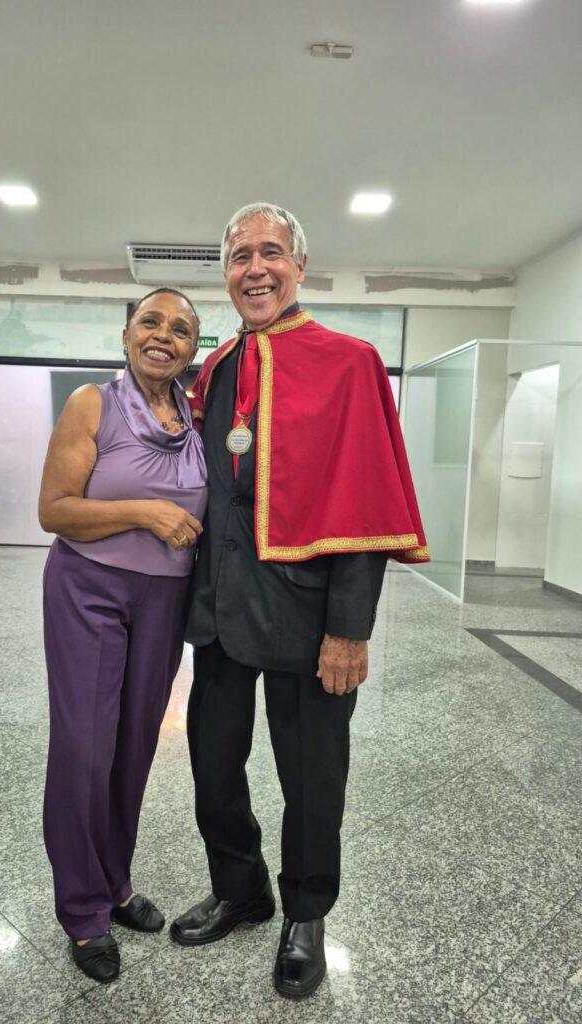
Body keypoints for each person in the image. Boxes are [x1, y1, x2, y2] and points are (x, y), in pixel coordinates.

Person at [170, 203, 429, 999]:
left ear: (300, 266)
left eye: (271, 252)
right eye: (240, 256)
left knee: (313, 780)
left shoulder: (351, 362)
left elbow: (366, 499)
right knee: (213, 765)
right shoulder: (214, 370)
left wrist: (349, 628)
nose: (255, 268)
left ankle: (307, 914)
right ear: (226, 274)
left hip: (309, 616)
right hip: (220, 612)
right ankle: (241, 889)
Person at [38, 287, 208, 984]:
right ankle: (82, 913)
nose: (163, 335)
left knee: (134, 747)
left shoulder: (196, 417)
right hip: (89, 589)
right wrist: (145, 511)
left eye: (181, 329)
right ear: (127, 333)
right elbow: (54, 510)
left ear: (193, 348)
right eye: (150, 322)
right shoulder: (93, 404)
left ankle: (114, 884)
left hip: (164, 599)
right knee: (85, 748)